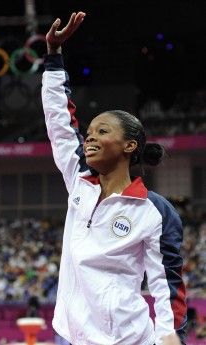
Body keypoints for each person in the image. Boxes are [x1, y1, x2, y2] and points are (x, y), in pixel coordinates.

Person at [41, 11, 187, 345]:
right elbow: (60, 123)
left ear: (128, 146)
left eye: (101, 132)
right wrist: (53, 57)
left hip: (124, 339)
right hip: (68, 334)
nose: (88, 139)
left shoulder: (155, 211)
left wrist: (170, 334)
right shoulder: (79, 178)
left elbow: (167, 281)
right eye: (89, 133)